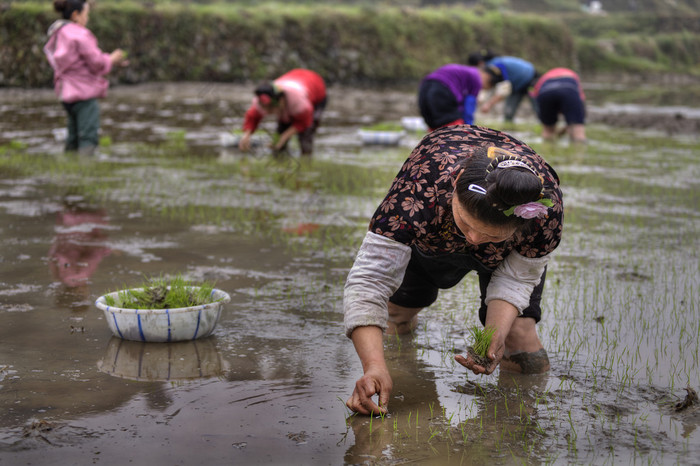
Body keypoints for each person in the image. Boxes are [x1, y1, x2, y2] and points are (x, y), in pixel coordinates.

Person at [343, 125, 563, 415]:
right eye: (466, 223)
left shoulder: (544, 213)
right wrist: (374, 367)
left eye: (490, 235)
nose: (473, 240)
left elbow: (518, 276)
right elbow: (370, 281)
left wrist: (494, 332)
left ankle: (514, 424)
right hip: (434, 235)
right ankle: (391, 380)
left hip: (505, 255)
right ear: (455, 184)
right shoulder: (421, 186)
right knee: (396, 314)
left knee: (519, 335)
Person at [44, 0, 127, 155]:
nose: (87, 18)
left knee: (72, 138)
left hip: (66, 94)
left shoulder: (58, 32)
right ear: (76, 15)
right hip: (83, 93)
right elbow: (97, 63)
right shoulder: (80, 34)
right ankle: (87, 169)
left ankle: (69, 168)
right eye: (86, 14)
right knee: (88, 137)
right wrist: (112, 59)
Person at [239, 69, 327, 156]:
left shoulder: (298, 100)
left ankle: (306, 160)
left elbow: (304, 122)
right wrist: (247, 135)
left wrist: (284, 137)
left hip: (316, 90)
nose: (267, 112)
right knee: (281, 131)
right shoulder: (260, 101)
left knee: (306, 134)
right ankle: (279, 158)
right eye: (264, 108)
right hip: (295, 79)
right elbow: (253, 117)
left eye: (271, 108)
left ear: (281, 101)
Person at [417, 64, 496, 131]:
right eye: (485, 87)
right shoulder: (477, 79)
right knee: (455, 126)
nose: (481, 88)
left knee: (434, 125)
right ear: (487, 77)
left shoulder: (466, 72)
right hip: (441, 90)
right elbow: (469, 105)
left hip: (424, 88)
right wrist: (468, 129)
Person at [531, 68, 587, 143]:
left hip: (545, 92)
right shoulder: (573, 75)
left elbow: (536, 96)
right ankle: (578, 152)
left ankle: (545, 150)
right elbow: (580, 100)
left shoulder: (544, 77)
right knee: (577, 131)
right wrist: (574, 121)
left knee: (548, 130)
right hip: (568, 89)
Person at [479, 56, 539, 123]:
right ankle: (508, 123)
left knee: (537, 106)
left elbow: (503, 90)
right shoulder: (492, 67)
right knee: (509, 111)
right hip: (516, 84)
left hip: (530, 78)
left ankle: (545, 125)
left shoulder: (497, 65)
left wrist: (489, 104)